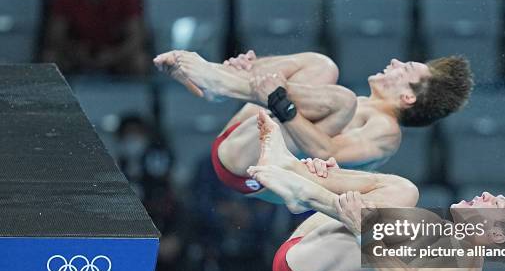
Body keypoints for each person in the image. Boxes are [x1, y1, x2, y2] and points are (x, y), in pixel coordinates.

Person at [246, 111, 505, 271]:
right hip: (308, 249)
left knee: (399, 224)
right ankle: (295, 170)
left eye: (497, 204)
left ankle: (303, 192)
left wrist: (364, 230)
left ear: (497, 235)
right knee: (403, 190)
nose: (487, 194)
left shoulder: (463, 268)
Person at [153, 49, 473, 202]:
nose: (394, 62)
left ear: (407, 96)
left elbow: (324, 149)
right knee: (322, 66)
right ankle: (219, 81)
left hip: (252, 171)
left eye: (406, 68)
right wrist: (252, 71)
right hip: (245, 138)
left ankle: (220, 83)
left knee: (341, 100)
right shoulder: (356, 105)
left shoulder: (386, 132)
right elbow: (276, 92)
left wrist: (279, 100)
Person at [43, 0, 148, 75]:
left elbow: (136, 37)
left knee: (139, 62)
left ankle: (130, 100)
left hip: (115, 54)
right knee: (50, 59)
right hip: (76, 54)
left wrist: (114, 55)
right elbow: (55, 35)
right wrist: (74, 51)